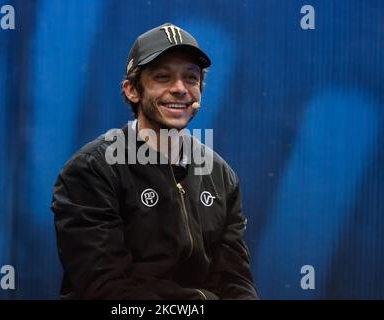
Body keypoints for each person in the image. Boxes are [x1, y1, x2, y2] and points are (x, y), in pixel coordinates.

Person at [51, 23, 258, 300]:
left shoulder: (222, 176)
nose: (180, 89)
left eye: (191, 78)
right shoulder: (91, 169)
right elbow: (106, 288)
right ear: (132, 90)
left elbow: (236, 281)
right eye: (163, 77)